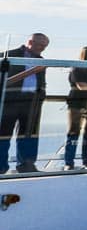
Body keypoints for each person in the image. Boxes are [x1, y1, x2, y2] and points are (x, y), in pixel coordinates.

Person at [1, 32, 49, 173]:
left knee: (29, 134)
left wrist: (41, 96)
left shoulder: (41, 59)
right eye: (40, 44)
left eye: (45, 46)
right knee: (3, 133)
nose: (42, 48)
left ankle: (26, 165)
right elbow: (3, 81)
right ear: (30, 41)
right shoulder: (8, 55)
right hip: (9, 101)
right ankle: (0, 167)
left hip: (32, 101)